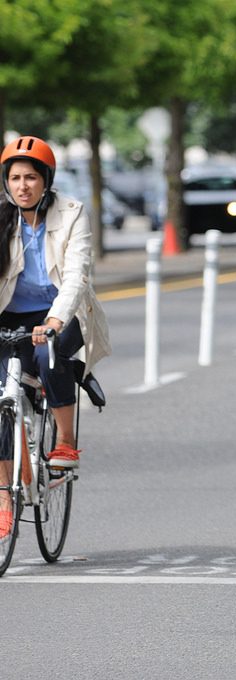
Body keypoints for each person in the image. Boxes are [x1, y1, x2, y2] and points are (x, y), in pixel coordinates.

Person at [0, 136, 110, 511]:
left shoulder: (71, 212)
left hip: (61, 311)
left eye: (31, 177)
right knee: (2, 399)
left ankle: (64, 439)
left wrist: (55, 320)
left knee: (48, 353)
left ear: (46, 180)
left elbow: (78, 275)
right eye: (14, 178)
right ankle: (3, 502)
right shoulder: (2, 214)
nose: (22, 186)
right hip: (10, 315)